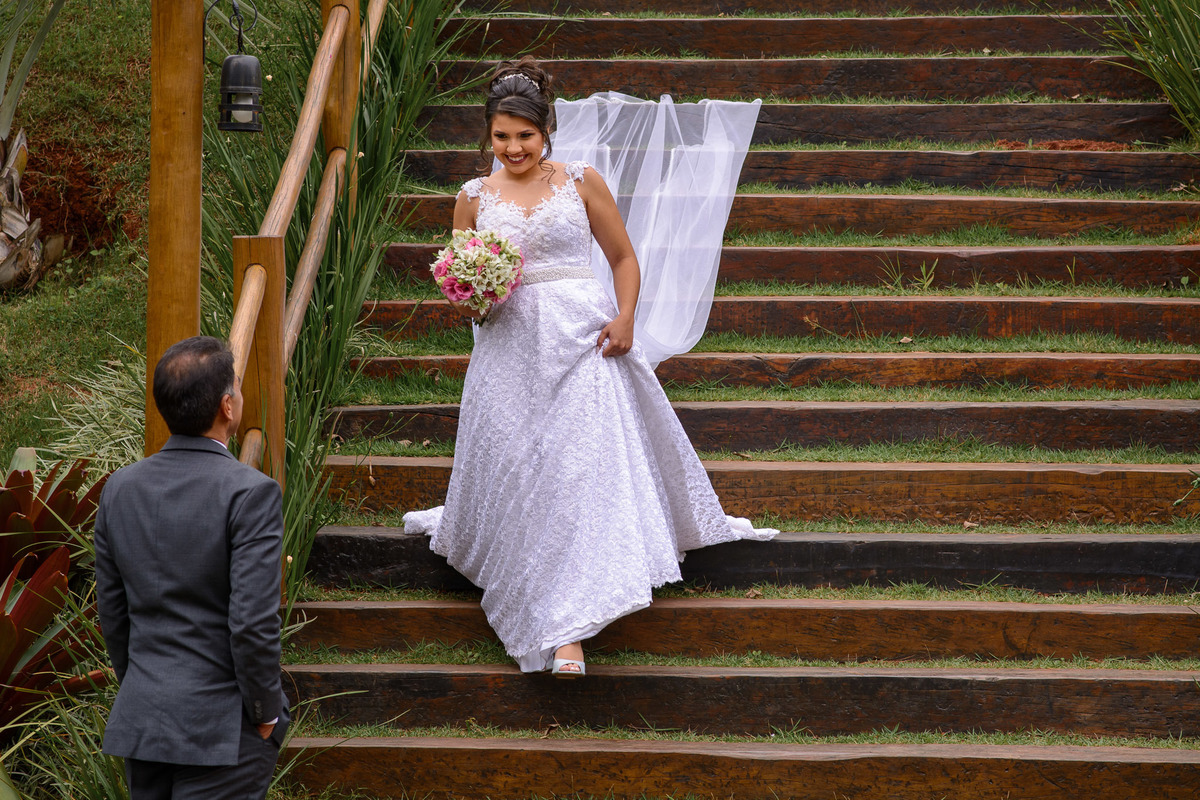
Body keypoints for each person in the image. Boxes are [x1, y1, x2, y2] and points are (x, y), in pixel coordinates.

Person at [402, 57, 775, 678]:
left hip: (583, 338)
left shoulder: (581, 181)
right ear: (487, 136)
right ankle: (535, 595)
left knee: (576, 473)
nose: (514, 148)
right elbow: (458, 274)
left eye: (524, 135)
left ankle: (569, 631)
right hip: (507, 346)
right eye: (501, 136)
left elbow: (623, 256)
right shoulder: (471, 198)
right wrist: (472, 290)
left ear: (546, 131)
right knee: (524, 472)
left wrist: (626, 316)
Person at [95, 335, 289, 799]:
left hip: (144, 722)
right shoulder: (251, 492)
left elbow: (113, 614)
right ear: (227, 406)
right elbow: (252, 623)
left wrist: (145, 688)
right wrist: (266, 712)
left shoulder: (119, 489)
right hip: (222, 729)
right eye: (237, 388)